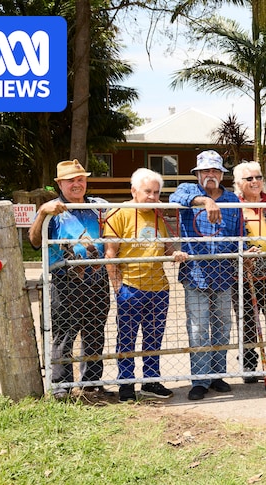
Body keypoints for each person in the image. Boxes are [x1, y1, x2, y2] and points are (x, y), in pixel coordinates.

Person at [28, 160, 111, 399]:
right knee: (64, 332)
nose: (77, 184)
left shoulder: (99, 206)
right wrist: (43, 212)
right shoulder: (52, 209)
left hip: (97, 279)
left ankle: (92, 381)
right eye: (71, 180)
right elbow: (34, 241)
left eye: (80, 179)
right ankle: (61, 384)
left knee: (95, 331)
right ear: (60, 184)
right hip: (64, 281)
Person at [103, 168, 188, 401]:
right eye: (147, 191)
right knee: (127, 338)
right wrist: (118, 286)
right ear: (134, 191)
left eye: (156, 192)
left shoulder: (159, 214)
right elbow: (110, 252)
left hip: (159, 287)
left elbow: (166, 246)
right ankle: (126, 384)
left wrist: (176, 253)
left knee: (154, 337)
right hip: (130, 286)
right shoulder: (119, 213)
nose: (152, 196)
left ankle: (151, 380)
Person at [169, 150, 241, 400]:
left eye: (215, 171)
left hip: (224, 273)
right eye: (205, 171)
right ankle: (200, 379)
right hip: (195, 273)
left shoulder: (233, 200)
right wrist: (206, 202)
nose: (210, 175)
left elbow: (238, 234)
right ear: (198, 174)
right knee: (198, 329)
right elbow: (175, 197)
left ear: (222, 174)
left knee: (222, 327)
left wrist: (244, 252)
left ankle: (217, 375)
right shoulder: (187, 192)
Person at [233, 161, 266, 380]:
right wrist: (243, 251)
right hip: (244, 275)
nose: (255, 182)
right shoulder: (233, 204)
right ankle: (248, 366)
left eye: (258, 177)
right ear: (238, 183)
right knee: (246, 323)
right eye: (249, 179)